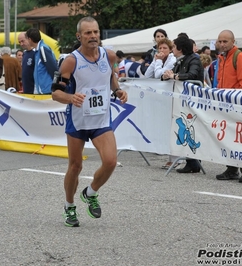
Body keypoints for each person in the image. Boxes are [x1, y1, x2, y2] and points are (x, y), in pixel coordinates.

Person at [51, 16, 128, 227]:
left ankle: (90, 192)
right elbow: (55, 93)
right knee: (75, 167)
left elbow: (110, 77)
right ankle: (69, 206)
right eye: (87, 33)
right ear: (79, 36)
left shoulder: (108, 55)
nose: (92, 36)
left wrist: (118, 90)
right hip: (78, 121)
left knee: (111, 161)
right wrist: (70, 97)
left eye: (95, 32)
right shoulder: (71, 61)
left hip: (101, 119)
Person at [215, 30, 242, 183]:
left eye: (225, 41)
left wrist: (231, 98)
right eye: (220, 41)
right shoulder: (221, 58)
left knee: (240, 137)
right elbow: (219, 81)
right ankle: (232, 169)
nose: (222, 44)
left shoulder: (240, 57)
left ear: (233, 41)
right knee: (229, 137)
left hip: (237, 104)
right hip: (226, 104)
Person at [162, 36, 204, 174]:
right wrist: (167, 75)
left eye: (174, 46)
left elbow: (192, 75)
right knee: (186, 127)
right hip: (183, 100)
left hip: (194, 100)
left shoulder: (194, 59)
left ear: (180, 48)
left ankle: (195, 161)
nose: (172, 49)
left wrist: (175, 76)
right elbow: (172, 74)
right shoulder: (180, 60)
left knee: (192, 128)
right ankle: (190, 161)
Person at [144, 38, 179, 169]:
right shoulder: (158, 60)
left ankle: (175, 158)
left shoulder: (172, 60)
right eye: (160, 48)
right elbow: (147, 75)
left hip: (171, 97)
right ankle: (171, 157)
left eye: (165, 48)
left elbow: (159, 74)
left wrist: (158, 61)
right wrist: (155, 61)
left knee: (172, 125)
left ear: (170, 50)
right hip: (162, 98)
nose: (162, 51)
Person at [26, 28, 58, 94]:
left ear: (30, 39)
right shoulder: (38, 50)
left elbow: (52, 67)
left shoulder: (42, 49)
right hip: (43, 89)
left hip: (47, 89)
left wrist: (55, 86)